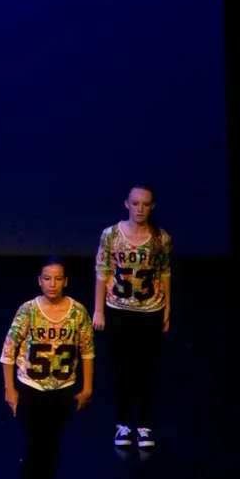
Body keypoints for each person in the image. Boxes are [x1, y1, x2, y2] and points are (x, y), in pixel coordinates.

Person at [1, 259, 94, 479]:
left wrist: (87, 387)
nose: (52, 284)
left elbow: (87, 350)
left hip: (63, 388)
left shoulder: (77, 312)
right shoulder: (28, 311)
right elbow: (8, 351)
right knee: (35, 446)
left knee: (51, 446)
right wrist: (10, 389)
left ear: (65, 281)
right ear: (39, 280)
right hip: (32, 387)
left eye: (57, 279)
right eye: (47, 278)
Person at [92, 187, 171, 449]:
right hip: (118, 309)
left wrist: (167, 307)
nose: (140, 208)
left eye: (145, 204)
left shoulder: (161, 238)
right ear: (126, 203)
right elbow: (102, 271)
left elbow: (164, 273)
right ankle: (123, 424)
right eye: (135, 203)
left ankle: (144, 425)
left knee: (146, 369)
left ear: (152, 207)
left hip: (149, 310)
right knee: (122, 369)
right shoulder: (111, 235)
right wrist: (99, 309)